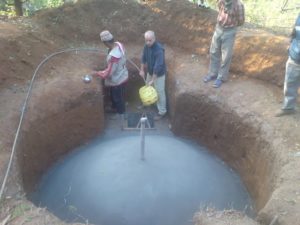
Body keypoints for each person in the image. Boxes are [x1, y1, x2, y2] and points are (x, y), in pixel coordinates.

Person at [202, 0, 245, 88]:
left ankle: (221, 77)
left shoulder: (239, 5)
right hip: (219, 28)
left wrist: (231, 24)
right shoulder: (221, 1)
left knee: (226, 56)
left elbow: (241, 21)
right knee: (213, 52)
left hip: (230, 31)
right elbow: (219, 7)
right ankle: (213, 73)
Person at [93, 30, 128, 120]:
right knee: (115, 94)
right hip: (123, 73)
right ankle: (114, 108)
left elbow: (109, 73)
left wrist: (98, 73)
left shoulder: (113, 56)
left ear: (105, 43)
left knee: (118, 97)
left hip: (118, 79)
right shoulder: (119, 44)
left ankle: (121, 113)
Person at [275, 14, 300, 117]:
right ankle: (288, 108)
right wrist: (290, 44)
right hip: (294, 57)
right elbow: (295, 31)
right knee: (289, 84)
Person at [139, 30, 167, 120]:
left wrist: (153, 80)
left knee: (159, 92)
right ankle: (147, 103)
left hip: (159, 74)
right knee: (147, 87)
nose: (148, 42)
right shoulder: (146, 46)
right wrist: (142, 70)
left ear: (154, 39)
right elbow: (143, 57)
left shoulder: (159, 50)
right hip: (150, 72)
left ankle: (162, 112)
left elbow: (158, 66)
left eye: (150, 40)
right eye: (146, 40)